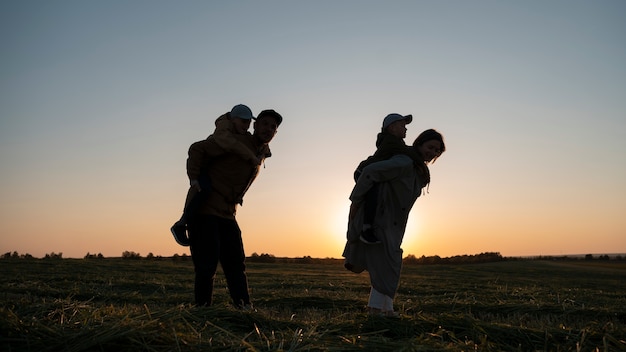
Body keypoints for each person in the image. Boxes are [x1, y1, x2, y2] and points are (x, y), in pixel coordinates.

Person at [183, 105, 283, 308]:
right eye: (264, 124)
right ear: (254, 125)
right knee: (207, 265)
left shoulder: (261, 152)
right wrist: (194, 179)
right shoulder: (235, 140)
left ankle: (244, 308)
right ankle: (202, 310)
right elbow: (197, 148)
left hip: (228, 214)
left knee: (236, 265)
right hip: (206, 211)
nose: (268, 129)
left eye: (273, 127)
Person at [343, 129, 446, 317]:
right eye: (430, 147)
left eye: (436, 151)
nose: (432, 153)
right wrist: (356, 200)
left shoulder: (419, 170)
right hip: (380, 219)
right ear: (420, 144)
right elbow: (370, 172)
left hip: (396, 223)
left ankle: (383, 308)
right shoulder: (405, 162)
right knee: (388, 263)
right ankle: (378, 309)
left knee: (388, 264)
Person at [170, 104, 262, 246]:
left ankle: (183, 224)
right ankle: (181, 225)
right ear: (233, 119)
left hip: (223, 199)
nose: (247, 126)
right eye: (243, 121)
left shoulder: (238, 135)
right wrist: (194, 178)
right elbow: (196, 149)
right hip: (204, 171)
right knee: (203, 190)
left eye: (249, 122)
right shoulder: (224, 133)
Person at [353, 113, 421, 244]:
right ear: (392, 128)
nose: (406, 129)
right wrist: (420, 154)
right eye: (403, 126)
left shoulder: (396, 142)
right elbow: (408, 152)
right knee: (374, 195)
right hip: (363, 172)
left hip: (369, 171)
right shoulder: (390, 142)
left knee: (378, 196)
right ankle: (366, 229)